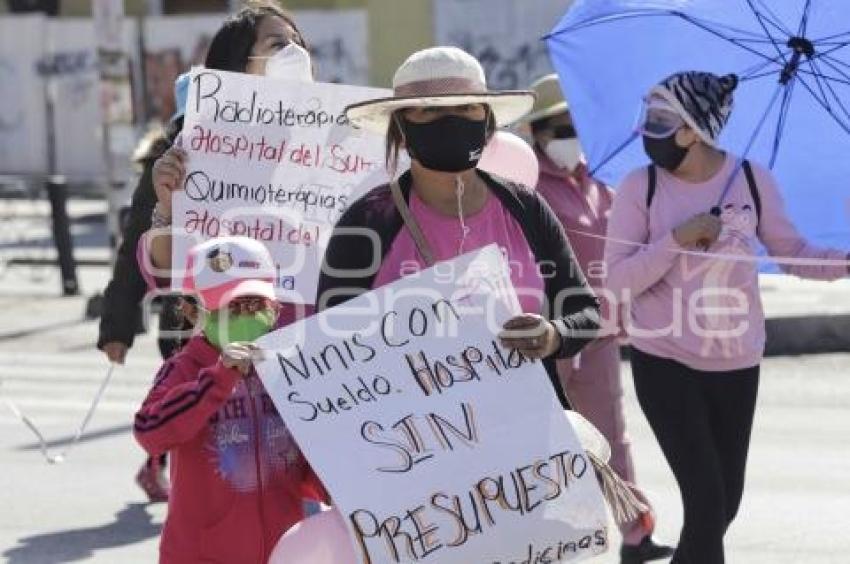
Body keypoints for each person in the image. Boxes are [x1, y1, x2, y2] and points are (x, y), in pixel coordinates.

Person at [605, 70, 850, 564]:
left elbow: (792, 251)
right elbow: (615, 282)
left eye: (661, 119)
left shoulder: (752, 180)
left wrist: (844, 262)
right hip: (664, 359)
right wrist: (677, 238)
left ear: (695, 128)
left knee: (720, 510)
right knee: (707, 500)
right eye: (647, 116)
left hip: (737, 363)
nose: (647, 129)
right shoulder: (640, 187)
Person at [317, 46, 601, 412]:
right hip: (413, 442)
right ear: (401, 130)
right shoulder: (367, 222)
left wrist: (552, 335)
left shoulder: (526, 208)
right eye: (430, 110)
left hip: (526, 434)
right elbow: (329, 340)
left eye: (465, 107)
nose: (450, 120)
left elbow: (584, 309)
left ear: (486, 123)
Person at [122, 0, 313, 502]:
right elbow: (165, 269)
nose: (294, 53)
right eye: (277, 44)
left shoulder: (334, 147)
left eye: (299, 43)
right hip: (232, 364)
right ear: (237, 68)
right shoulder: (203, 153)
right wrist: (169, 204)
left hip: (316, 364)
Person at [521, 73, 674, 564]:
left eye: (574, 123)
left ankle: (635, 533)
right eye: (557, 125)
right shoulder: (525, 186)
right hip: (546, 334)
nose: (568, 134)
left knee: (612, 435)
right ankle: (552, 539)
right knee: (545, 441)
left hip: (599, 330)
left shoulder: (597, 180)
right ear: (538, 133)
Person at [134, 236, 327, 564]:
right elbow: (150, 432)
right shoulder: (184, 369)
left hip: (284, 552)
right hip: (202, 554)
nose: (246, 315)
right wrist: (219, 378)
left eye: (256, 305)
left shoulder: (287, 369)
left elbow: (305, 461)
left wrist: (335, 483)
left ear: (275, 307)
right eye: (232, 306)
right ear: (192, 310)